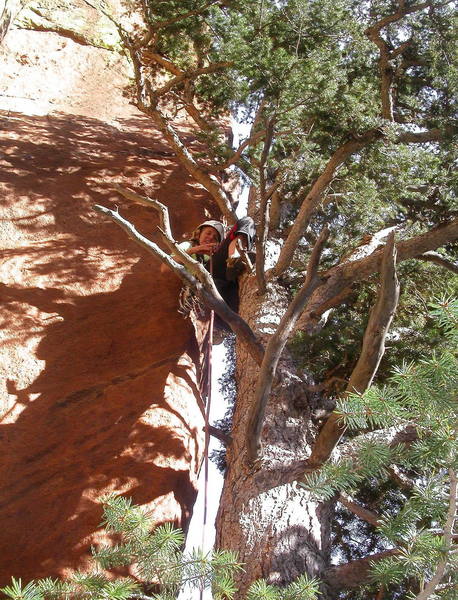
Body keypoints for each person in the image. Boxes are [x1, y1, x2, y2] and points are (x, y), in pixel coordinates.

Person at [163, 217, 255, 322]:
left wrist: (217, 255)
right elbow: (165, 268)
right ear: (199, 234)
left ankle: (235, 261)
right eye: (208, 233)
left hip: (222, 294)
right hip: (200, 291)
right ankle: (233, 260)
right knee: (247, 221)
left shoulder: (216, 256)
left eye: (215, 237)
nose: (211, 237)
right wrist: (195, 250)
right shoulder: (188, 246)